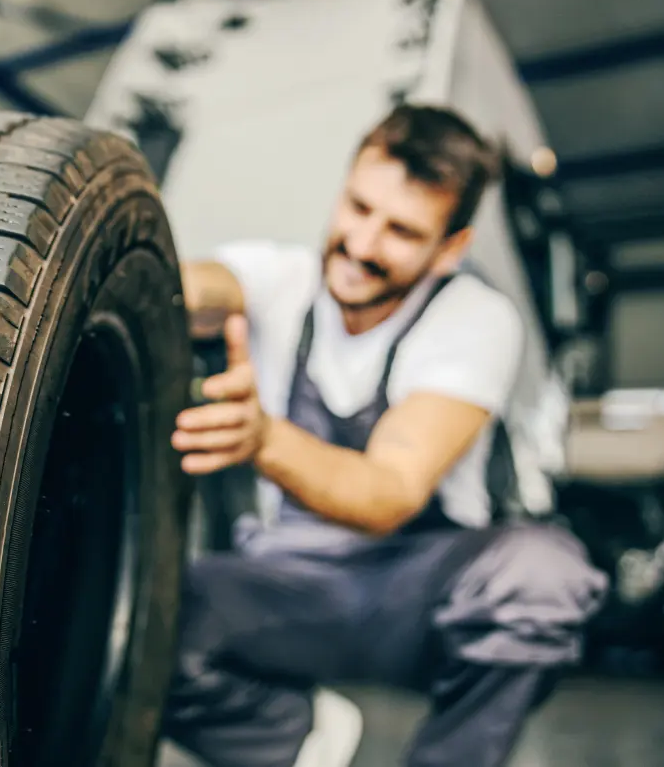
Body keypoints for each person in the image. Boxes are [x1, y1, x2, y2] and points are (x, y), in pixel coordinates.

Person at [163, 103, 609, 767]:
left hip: (412, 594)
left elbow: (390, 491)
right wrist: (133, 268)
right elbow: (190, 286)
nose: (363, 245)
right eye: (358, 207)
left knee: (540, 577)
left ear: (449, 249)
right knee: (143, 617)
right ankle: (294, 739)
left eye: (402, 230)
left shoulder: (474, 319)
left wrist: (264, 440)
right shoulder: (279, 280)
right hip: (284, 586)